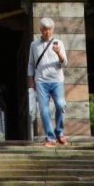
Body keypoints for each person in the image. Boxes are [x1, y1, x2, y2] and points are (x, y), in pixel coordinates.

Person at [29, 17, 69, 145]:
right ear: (40, 30)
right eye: (45, 29)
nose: (47, 32)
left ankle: (59, 132)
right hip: (41, 81)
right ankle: (50, 137)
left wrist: (58, 53)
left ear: (53, 30)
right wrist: (31, 81)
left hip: (57, 80)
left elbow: (65, 63)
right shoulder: (34, 45)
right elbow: (30, 64)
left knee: (61, 105)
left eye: (50, 29)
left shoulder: (58, 43)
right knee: (43, 110)